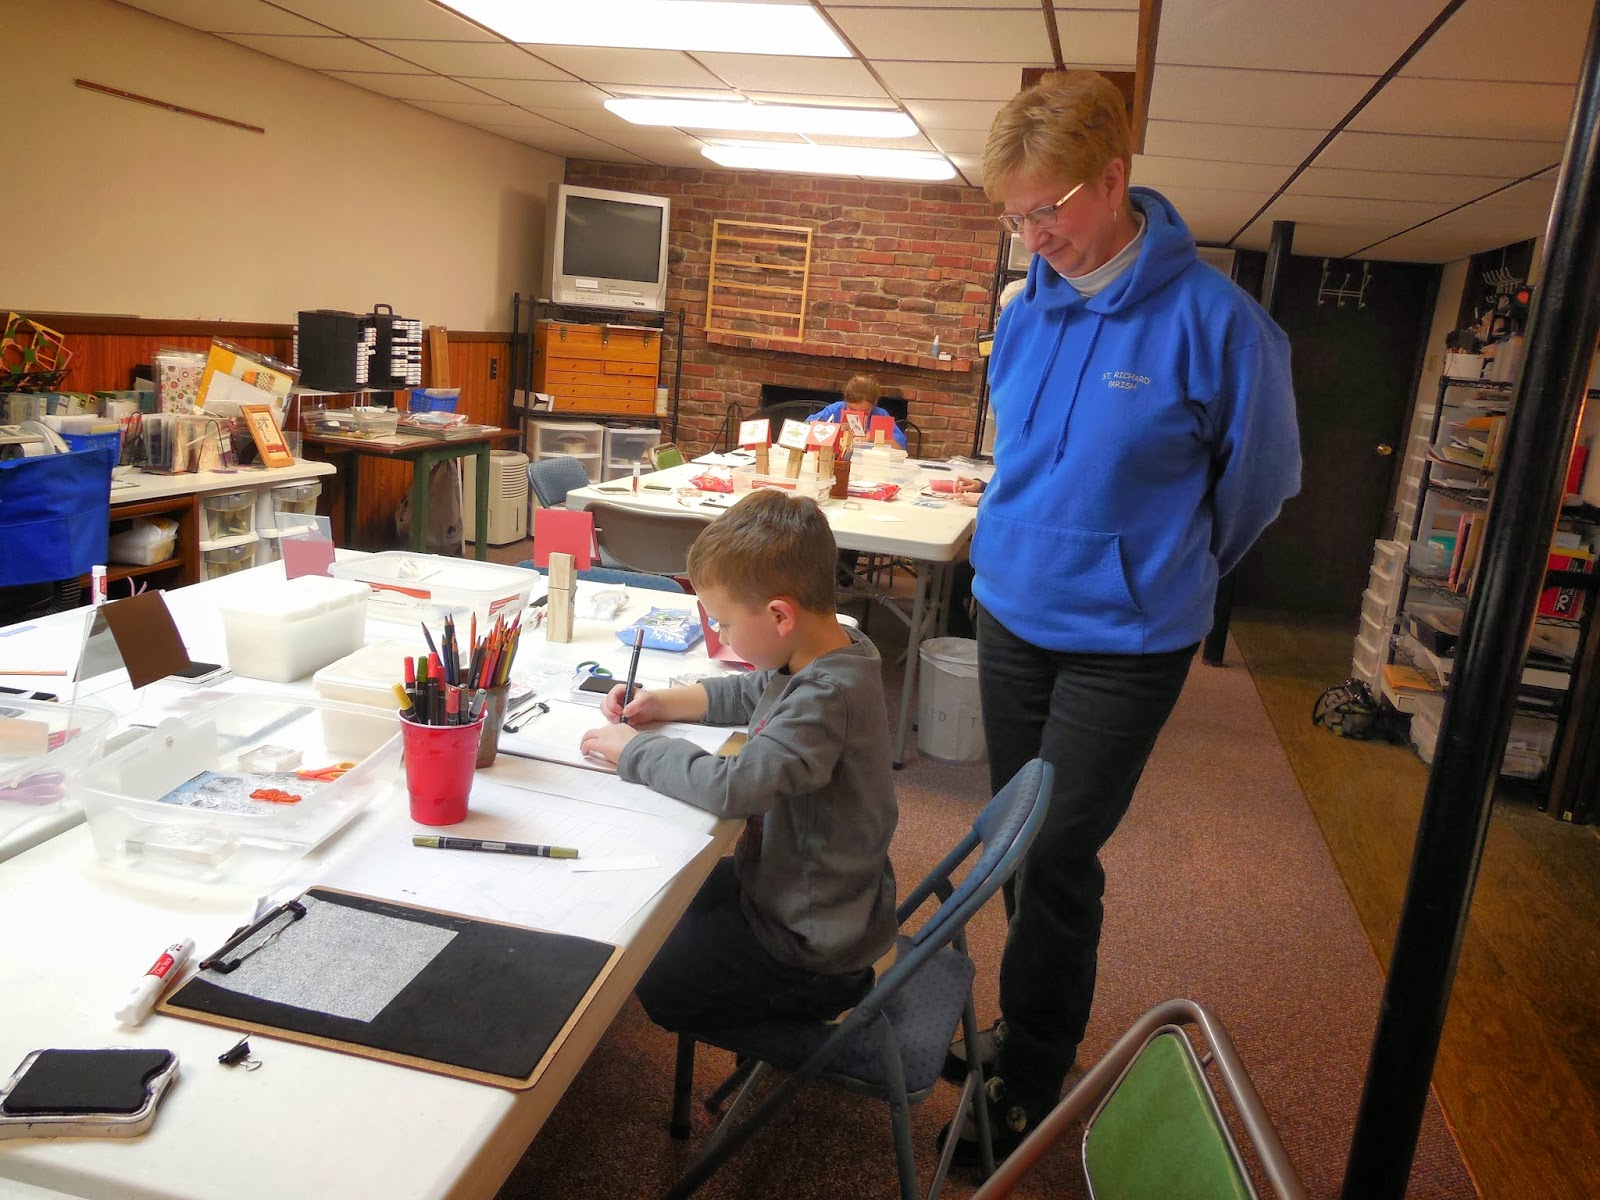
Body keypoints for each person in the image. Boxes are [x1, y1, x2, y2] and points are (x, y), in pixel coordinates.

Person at [943, 69, 1302, 1164]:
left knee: (1056, 850)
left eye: (1047, 210)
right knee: (1012, 838)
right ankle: (1023, 1023)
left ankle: (1031, 1075)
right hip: (1011, 609)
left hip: (1126, 640)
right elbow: (1019, 449)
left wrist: (1165, 570)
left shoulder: (1222, 327)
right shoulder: (1025, 309)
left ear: (1114, 179)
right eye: (1015, 217)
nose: (1033, 236)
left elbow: (1257, 488)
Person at [579, 488, 899, 1031]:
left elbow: (736, 787)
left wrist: (636, 750)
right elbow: (754, 690)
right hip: (800, 888)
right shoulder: (832, 646)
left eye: (723, 624)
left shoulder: (827, 698)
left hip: (810, 944)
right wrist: (661, 703)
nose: (720, 635)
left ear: (778, 616)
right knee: (654, 899)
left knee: (650, 972)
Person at [807, 373, 908, 449]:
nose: (858, 415)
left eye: (865, 411)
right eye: (852, 409)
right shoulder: (836, 409)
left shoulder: (880, 415)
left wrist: (872, 437)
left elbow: (900, 446)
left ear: (874, 404)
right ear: (846, 401)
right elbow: (807, 426)